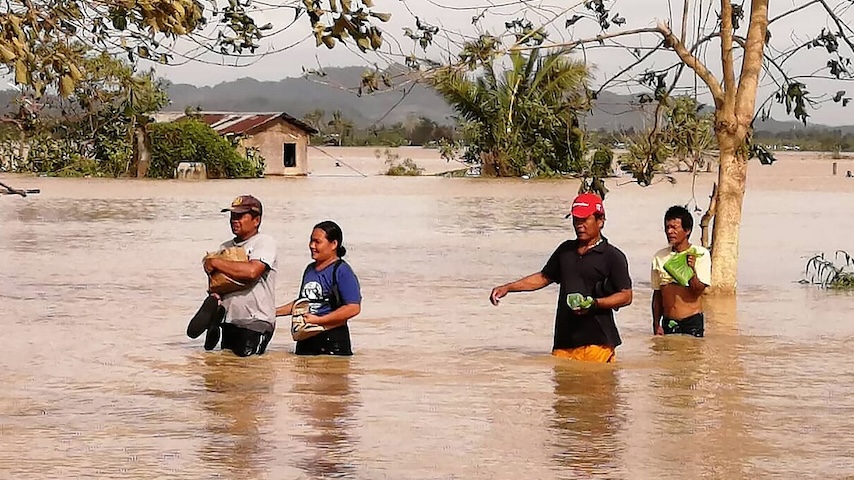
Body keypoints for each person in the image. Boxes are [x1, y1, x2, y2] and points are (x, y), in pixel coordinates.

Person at [489, 193, 633, 363]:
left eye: (585, 220)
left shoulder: (612, 256)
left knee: (594, 387)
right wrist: (508, 288)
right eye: (576, 220)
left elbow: (626, 296)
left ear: (600, 221)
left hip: (597, 341)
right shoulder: (566, 251)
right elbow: (543, 277)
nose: (579, 225)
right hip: (564, 341)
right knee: (563, 388)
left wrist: (594, 304)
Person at [187, 194, 278, 356]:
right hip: (229, 322)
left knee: (249, 370)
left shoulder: (264, 242)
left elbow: (252, 272)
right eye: (232, 216)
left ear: (256, 220)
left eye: (240, 216)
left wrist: (215, 263)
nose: (234, 220)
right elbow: (217, 284)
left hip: (255, 322)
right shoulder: (225, 247)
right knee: (228, 372)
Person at [276, 221, 361, 356]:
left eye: (317, 242)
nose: (311, 246)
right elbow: (303, 302)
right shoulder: (309, 269)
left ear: (334, 244)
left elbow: (353, 307)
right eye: (311, 241)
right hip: (305, 338)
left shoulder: (342, 270)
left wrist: (319, 320)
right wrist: (273, 313)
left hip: (332, 341)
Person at [651, 205, 711, 337]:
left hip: (692, 321)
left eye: (674, 227)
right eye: (667, 227)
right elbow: (657, 294)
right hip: (669, 322)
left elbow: (698, 291)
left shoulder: (700, 254)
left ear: (687, 230)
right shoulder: (659, 257)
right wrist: (656, 324)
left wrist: (691, 271)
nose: (670, 232)